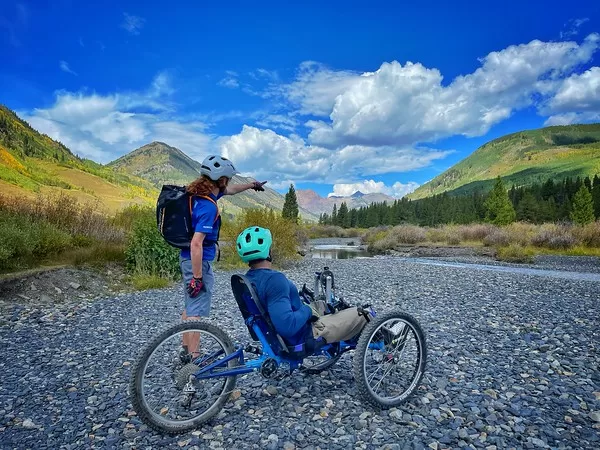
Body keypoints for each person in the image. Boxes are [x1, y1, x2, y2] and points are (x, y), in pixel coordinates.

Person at [180, 155, 267, 360]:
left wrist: (251, 185)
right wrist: (198, 277)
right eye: (228, 177)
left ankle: (184, 350)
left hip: (186, 258)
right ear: (221, 179)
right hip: (197, 260)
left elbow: (230, 191)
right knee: (195, 312)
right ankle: (195, 359)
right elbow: (196, 243)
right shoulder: (209, 207)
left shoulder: (197, 194)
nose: (229, 182)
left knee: (190, 306)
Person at [235, 226, 369, 347]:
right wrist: (307, 311)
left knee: (324, 304)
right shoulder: (274, 280)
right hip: (307, 333)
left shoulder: (249, 279)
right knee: (364, 314)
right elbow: (287, 326)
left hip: (284, 329)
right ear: (268, 250)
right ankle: (385, 344)